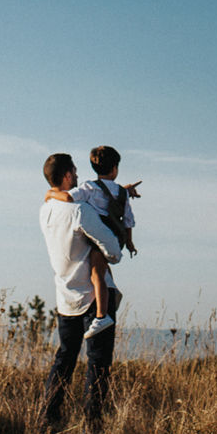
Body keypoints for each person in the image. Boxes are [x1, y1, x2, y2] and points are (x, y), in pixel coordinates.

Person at [39, 152, 125, 431]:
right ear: (66, 175)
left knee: (64, 358)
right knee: (98, 362)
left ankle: (48, 417)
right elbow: (113, 251)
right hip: (93, 294)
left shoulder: (45, 210)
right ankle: (92, 424)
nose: (77, 176)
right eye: (74, 172)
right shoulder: (80, 211)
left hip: (65, 294)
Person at [59, 144, 141, 337]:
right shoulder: (122, 192)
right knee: (102, 271)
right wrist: (129, 242)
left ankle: (101, 315)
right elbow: (128, 219)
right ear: (115, 169)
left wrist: (53, 194)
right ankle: (105, 305)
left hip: (99, 236)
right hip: (116, 235)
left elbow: (70, 198)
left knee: (97, 273)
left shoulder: (89, 187)